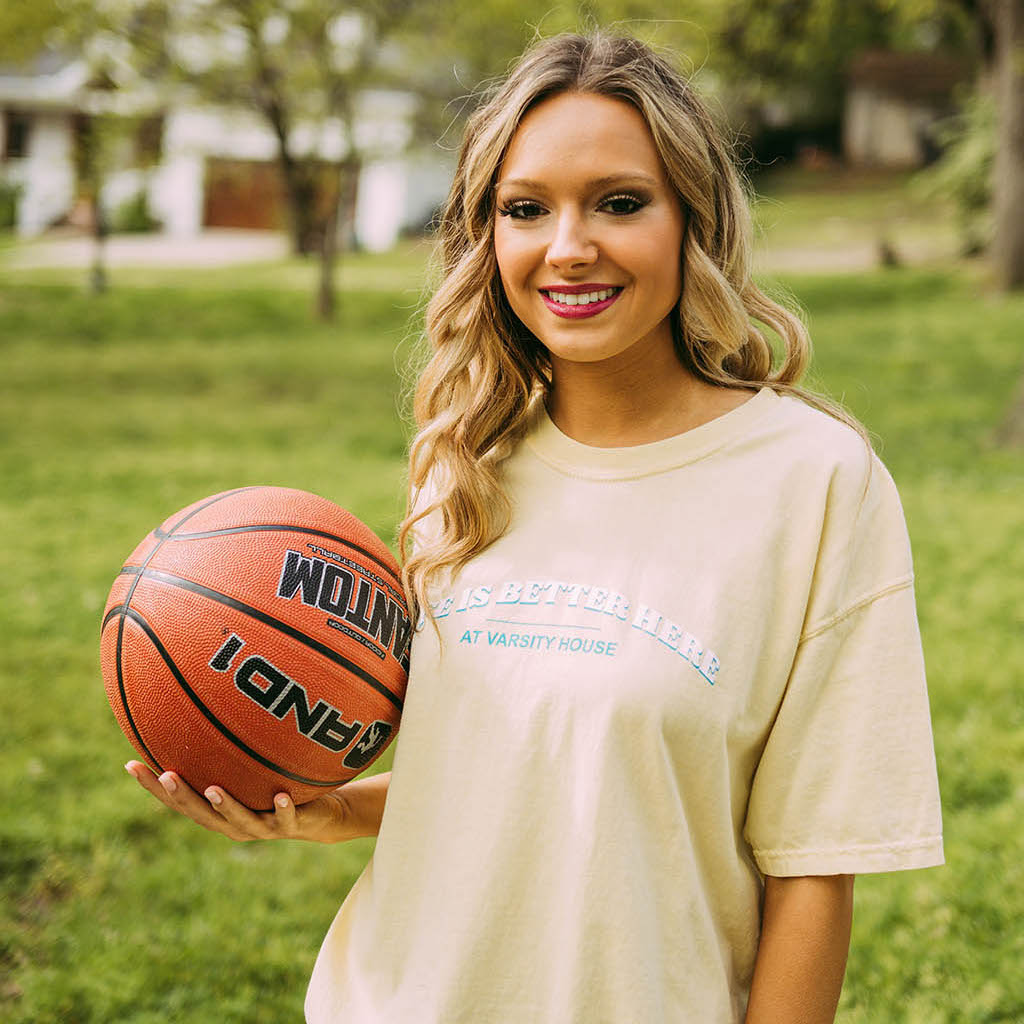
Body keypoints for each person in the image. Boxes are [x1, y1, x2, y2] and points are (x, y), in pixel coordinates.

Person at [127, 30, 944, 1023]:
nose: (568, 246)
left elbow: (817, 864)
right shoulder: (468, 456)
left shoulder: (814, 482)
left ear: (693, 216)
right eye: (526, 209)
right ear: (487, 237)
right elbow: (505, 776)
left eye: (619, 201)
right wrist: (337, 805)